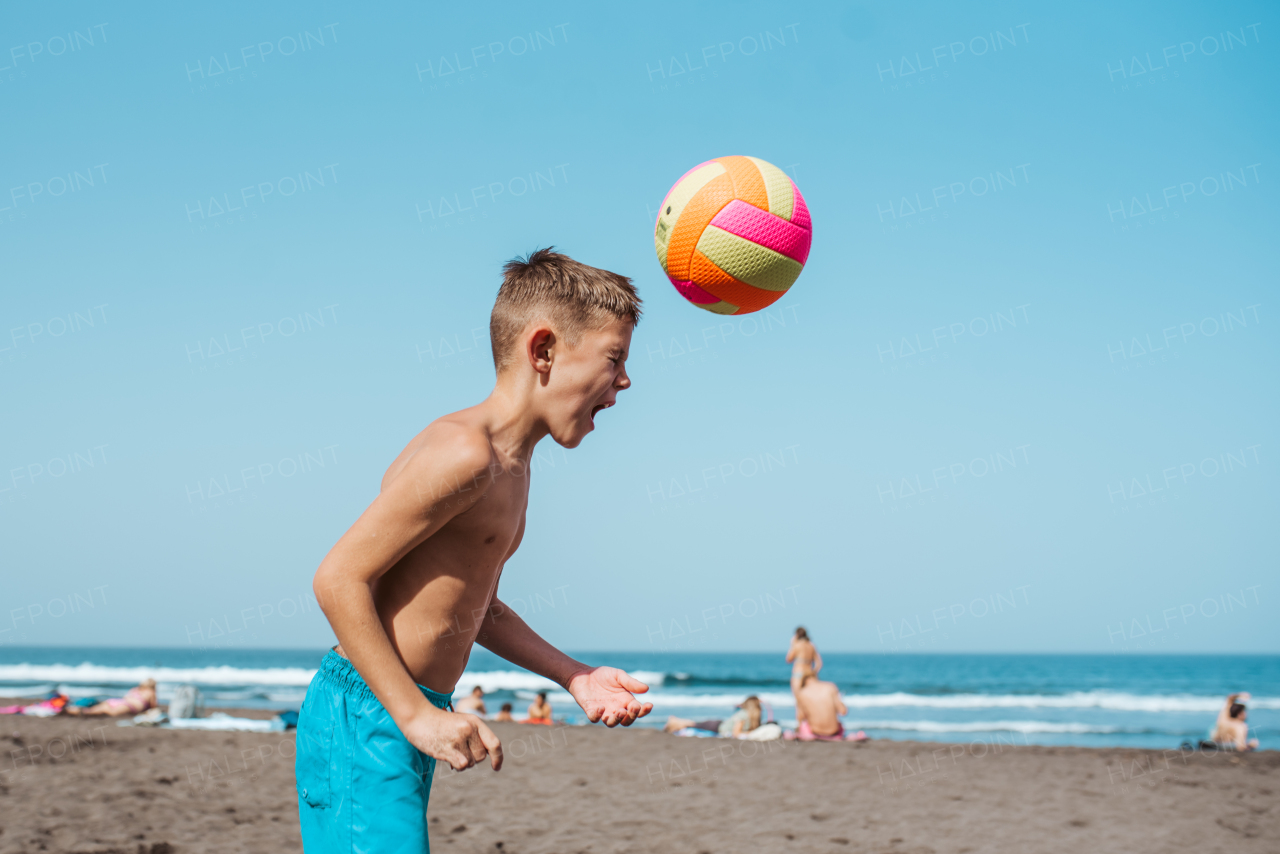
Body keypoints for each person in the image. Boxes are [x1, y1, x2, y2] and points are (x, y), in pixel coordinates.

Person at [300, 249, 652, 854]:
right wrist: (414, 716)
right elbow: (338, 579)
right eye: (614, 358)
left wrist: (575, 676)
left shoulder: (513, 467)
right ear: (542, 351)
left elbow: (476, 606)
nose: (624, 381)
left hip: (399, 709)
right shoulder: (464, 454)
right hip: (367, 709)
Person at [791, 673, 862, 742]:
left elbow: (800, 717)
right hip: (835, 732)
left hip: (815, 732)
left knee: (804, 725)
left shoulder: (802, 693)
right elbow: (843, 711)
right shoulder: (831, 687)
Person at [663, 696, 762, 737]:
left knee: (694, 724)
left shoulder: (749, 716)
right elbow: (736, 733)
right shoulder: (744, 714)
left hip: (719, 725)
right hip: (716, 726)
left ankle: (675, 721)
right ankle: (674, 721)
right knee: (693, 725)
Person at [65, 679, 157, 717]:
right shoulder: (151, 692)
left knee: (93, 709)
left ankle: (71, 710)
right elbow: (154, 707)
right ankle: (78, 711)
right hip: (129, 706)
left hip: (117, 701)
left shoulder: (135, 690)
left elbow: (126, 697)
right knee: (110, 712)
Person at [787, 627, 822, 699]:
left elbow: (789, 659)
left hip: (798, 674)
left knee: (799, 700)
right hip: (810, 674)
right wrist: (813, 672)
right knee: (810, 700)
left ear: (796, 635)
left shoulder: (797, 645)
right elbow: (819, 663)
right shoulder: (811, 646)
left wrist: (792, 644)